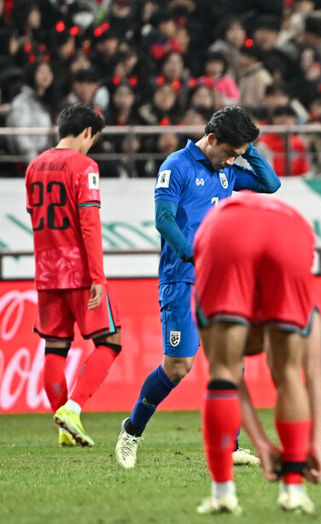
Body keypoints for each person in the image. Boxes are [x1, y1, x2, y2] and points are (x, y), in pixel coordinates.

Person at [114, 106, 282, 470]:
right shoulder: (176, 166)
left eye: (239, 155)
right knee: (178, 367)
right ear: (212, 139)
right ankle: (131, 431)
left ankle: (230, 446)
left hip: (219, 283)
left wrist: (247, 149)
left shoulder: (228, 171)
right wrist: (195, 254)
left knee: (231, 362)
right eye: (230, 152)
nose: (232, 161)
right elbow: (163, 219)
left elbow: (271, 184)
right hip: (183, 279)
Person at [192, 193, 321, 515]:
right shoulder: (308, 314)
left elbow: (228, 377)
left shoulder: (220, 229)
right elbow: (314, 375)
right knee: (289, 371)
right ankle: (293, 490)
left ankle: (223, 492)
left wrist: (262, 444)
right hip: (291, 230)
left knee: (222, 371)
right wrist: (314, 444)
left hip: (224, 229)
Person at [25, 105, 122, 447]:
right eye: (92, 140)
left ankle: (63, 426)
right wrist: (97, 275)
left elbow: (35, 215)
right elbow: (89, 224)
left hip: (46, 270)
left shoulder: (34, 166)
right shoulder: (85, 167)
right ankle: (73, 408)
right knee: (110, 341)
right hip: (79, 270)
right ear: (86, 133)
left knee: (55, 347)